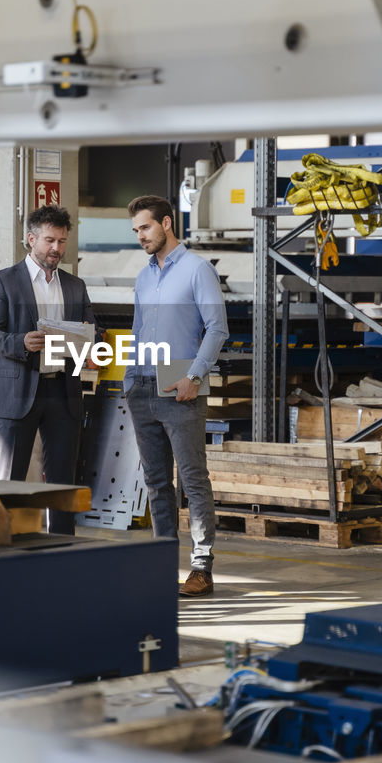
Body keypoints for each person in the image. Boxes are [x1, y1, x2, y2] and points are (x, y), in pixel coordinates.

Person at [124, 194, 228, 597]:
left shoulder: (197, 270)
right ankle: (161, 561)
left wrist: (193, 375)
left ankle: (202, 567)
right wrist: (130, 379)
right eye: (136, 231)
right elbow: (137, 332)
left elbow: (216, 329)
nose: (141, 237)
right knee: (155, 482)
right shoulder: (144, 275)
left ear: (167, 223)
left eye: (145, 228)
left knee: (192, 479)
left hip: (178, 379)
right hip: (143, 383)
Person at [0, 205, 96, 535]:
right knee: (10, 479)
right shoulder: (3, 281)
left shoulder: (75, 285)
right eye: (49, 240)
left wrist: (91, 342)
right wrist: (21, 342)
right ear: (31, 239)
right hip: (18, 391)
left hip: (63, 391)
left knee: (62, 480)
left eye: (62, 241)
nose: (56, 249)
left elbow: (93, 330)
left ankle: (62, 548)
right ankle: (1, 544)